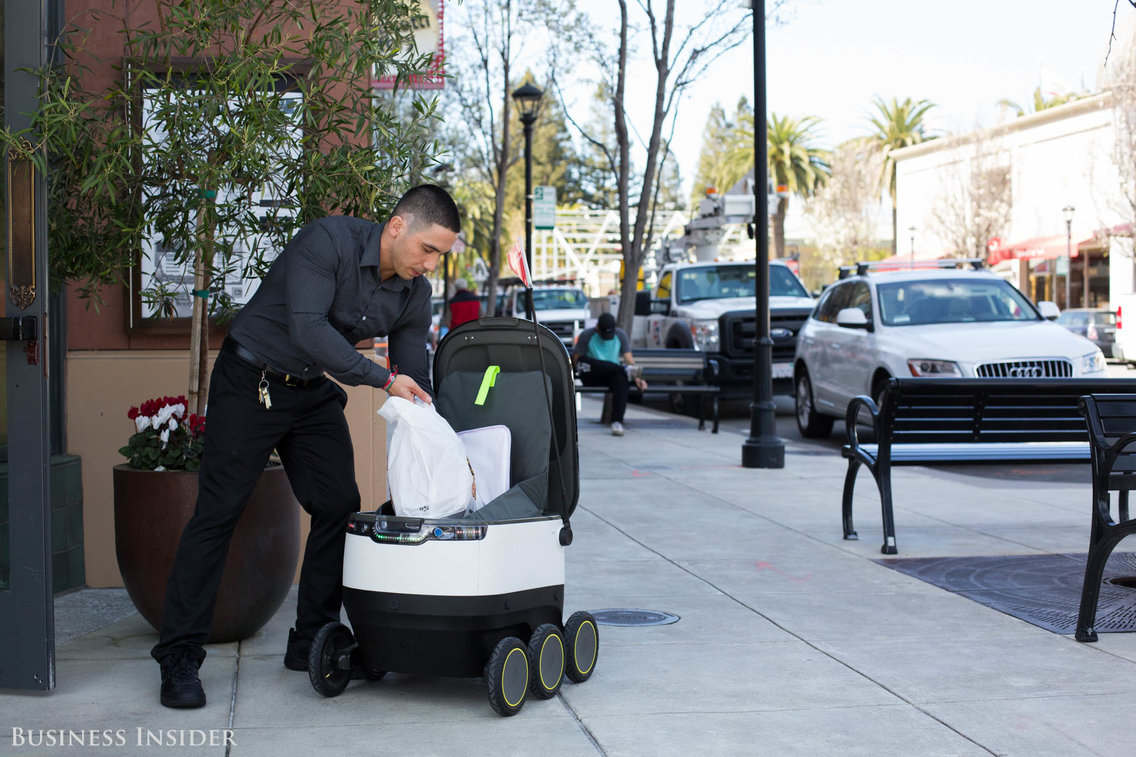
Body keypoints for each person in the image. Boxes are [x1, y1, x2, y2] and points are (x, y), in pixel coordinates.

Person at [151, 184, 460, 709]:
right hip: (252, 378)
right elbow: (311, 329)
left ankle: (312, 640)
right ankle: (179, 654)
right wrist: (383, 381)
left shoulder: (414, 293)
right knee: (218, 512)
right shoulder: (326, 242)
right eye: (428, 249)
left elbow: (412, 375)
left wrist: (443, 437)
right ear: (397, 226)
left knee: (339, 504)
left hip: (309, 391)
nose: (431, 264)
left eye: (441, 256)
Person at [574, 312, 647, 436]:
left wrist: (637, 378)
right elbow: (577, 360)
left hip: (611, 376)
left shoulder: (620, 335)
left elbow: (629, 359)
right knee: (586, 361)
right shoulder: (587, 335)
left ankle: (617, 422)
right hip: (592, 373)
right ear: (598, 328)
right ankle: (622, 369)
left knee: (622, 379)